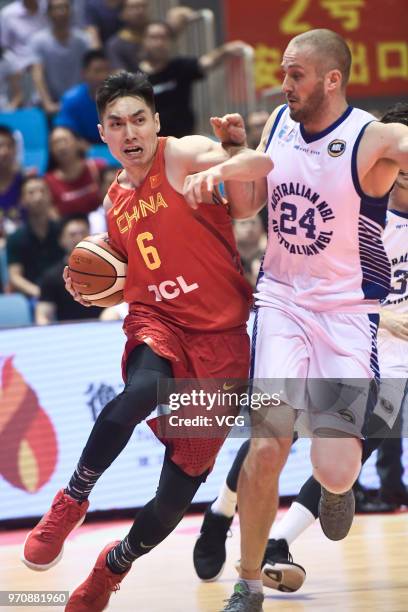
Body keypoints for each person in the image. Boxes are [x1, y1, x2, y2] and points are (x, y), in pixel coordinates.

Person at [21, 71, 272, 611]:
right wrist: (89, 289)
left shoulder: (182, 155)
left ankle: (113, 567)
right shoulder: (112, 201)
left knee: (174, 496)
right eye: (117, 123)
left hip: (222, 341)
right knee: (141, 393)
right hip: (157, 322)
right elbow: (114, 274)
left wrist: (232, 153)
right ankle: (71, 500)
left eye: (138, 119)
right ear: (103, 134)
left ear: (156, 123)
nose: (129, 131)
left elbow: (252, 191)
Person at [190, 29, 408, 611]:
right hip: (282, 302)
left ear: (332, 79)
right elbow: (247, 206)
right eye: (284, 72)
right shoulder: (278, 123)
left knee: (335, 469)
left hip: (347, 313)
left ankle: (338, 488)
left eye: (296, 75)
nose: (283, 84)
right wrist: (236, 157)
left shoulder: (375, 137)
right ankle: (250, 581)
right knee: (269, 439)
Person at [138, 20, 250, 138]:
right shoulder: (135, 77)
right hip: (152, 143)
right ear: (144, 41)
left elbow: (206, 63)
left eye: (163, 38)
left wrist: (226, 50)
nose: (159, 43)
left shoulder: (180, 66)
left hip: (185, 139)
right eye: (154, 38)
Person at [35, 214, 101, 324]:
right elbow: (42, 315)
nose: (79, 238)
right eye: (72, 234)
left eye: (83, 233)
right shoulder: (51, 277)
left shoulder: (108, 270)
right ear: (61, 240)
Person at [6, 175, 63, 301]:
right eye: (31, 193)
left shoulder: (63, 231)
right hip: (33, 297)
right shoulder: (15, 238)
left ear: (50, 196)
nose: (38, 197)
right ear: (22, 200)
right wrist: (41, 293)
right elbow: (15, 277)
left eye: (42, 191)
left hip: (64, 293)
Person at [30, 0, 91, 117]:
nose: (62, 12)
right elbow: (37, 74)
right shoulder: (38, 41)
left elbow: (89, 72)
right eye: (57, 8)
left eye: (65, 7)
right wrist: (48, 104)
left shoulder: (83, 40)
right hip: (49, 104)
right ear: (49, 13)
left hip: (79, 102)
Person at [44, 126, 106, 217]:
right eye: (55, 143)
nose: (61, 147)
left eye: (64, 140)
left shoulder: (97, 168)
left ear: (78, 143)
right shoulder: (48, 181)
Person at [54, 50, 111, 144]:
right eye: (97, 71)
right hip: (82, 149)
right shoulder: (71, 99)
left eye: (106, 70)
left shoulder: (119, 99)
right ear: (84, 73)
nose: (103, 76)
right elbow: (64, 129)